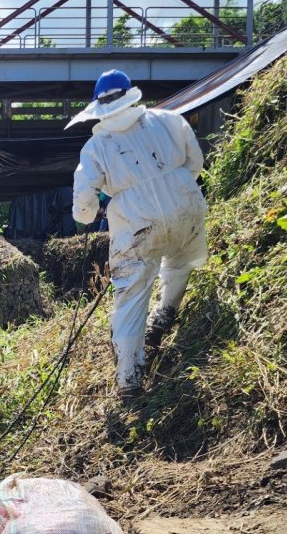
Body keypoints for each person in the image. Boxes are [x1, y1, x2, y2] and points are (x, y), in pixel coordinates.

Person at [67, 69, 207, 399]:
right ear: (130, 96)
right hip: (185, 203)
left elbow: (83, 203)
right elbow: (196, 161)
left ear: (99, 107)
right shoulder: (169, 120)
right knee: (181, 262)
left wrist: (87, 214)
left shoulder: (96, 146)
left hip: (136, 223)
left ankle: (129, 379)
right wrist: (173, 188)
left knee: (131, 298)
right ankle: (164, 315)